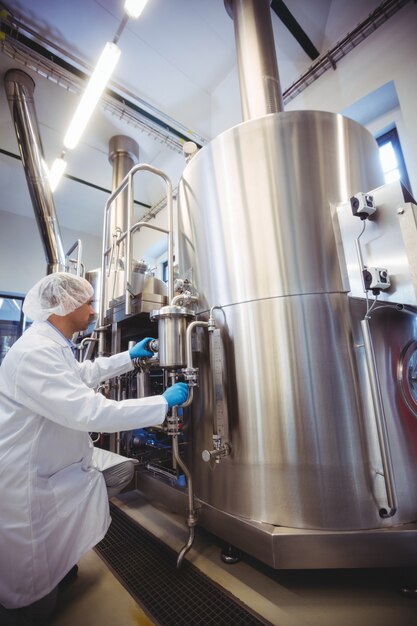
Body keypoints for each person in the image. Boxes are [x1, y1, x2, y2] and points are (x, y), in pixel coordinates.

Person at [0, 272, 188, 625]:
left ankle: (58, 566)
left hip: (55, 465)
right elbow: (90, 411)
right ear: (64, 306)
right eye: (87, 302)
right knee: (35, 604)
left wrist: (129, 358)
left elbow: (81, 375)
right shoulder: (35, 353)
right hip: (28, 478)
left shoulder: (52, 344)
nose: (92, 310)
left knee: (114, 474)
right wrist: (160, 403)